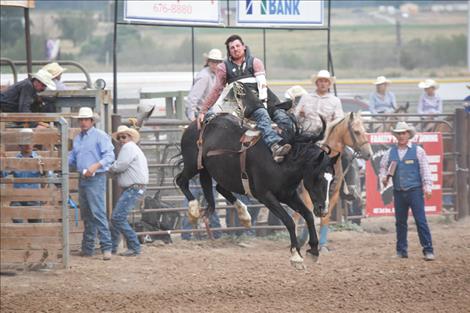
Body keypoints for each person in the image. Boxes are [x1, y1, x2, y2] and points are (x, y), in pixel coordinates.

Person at [198, 34, 293, 162]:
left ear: (243, 47)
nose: (235, 49)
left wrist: (264, 103)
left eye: (237, 46)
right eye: (232, 47)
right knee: (259, 111)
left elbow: (262, 84)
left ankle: (290, 147)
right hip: (238, 98)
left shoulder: (255, 62)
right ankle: (274, 145)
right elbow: (217, 90)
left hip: (260, 95)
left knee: (283, 117)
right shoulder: (223, 67)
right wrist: (204, 110)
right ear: (229, 51)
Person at [379, 121, 435, 261]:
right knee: (400, 222)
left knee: (420, 220)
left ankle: (428, 249)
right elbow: (382, 168)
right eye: (399, 133)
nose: (401, 135)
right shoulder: (390, 152)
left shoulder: (418, 151)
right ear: (396, 135)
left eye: (403, 133)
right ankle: (401, 250)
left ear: (409, 134)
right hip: (399, 191)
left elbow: (425, 170)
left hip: (414, 191)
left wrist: (428, 187)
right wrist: (384, 179)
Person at [68, 107, 115, 260]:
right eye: (81, 120)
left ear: (92, 121)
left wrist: (95, 165)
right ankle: (88, 248)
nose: (83, 122)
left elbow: (110, 155)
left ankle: (106, 247)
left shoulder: (100, 136)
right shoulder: (78, 138)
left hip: (96, 177)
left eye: (85, 119)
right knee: (87, 213)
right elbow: (72, 159)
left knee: (97, 212)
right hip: (83, 177)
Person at [109, 125, 148, 256]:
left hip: (133, 188)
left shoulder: (128, 147)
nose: (121, 139)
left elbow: (121, 165)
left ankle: (134, 246)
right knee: (117, 217)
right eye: (119, 137)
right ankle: (113, 246)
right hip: (135, 188)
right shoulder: (133, 148)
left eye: (123, 137)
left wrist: (109, 168)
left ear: (130, 137)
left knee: (117, 217)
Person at [293, 70, 344, 135]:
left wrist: (333, 123)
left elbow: (339, 119)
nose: (323, 84)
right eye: (321, 81)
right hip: (306, 134)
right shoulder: (305, 98)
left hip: (326, 136)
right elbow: (295, 118)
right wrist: (300, 115)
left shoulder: (335, 100)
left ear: (329, 84)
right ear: (316, 83)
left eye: (326, 81)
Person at [185, 49, 224, 121]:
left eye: (217, 62)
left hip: (207, 110)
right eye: (212, 62)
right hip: (197, 111)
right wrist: (192, 117)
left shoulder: (216, 75)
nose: (215, 65)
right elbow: (193, 97)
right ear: (208, 62)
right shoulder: (204, 76)